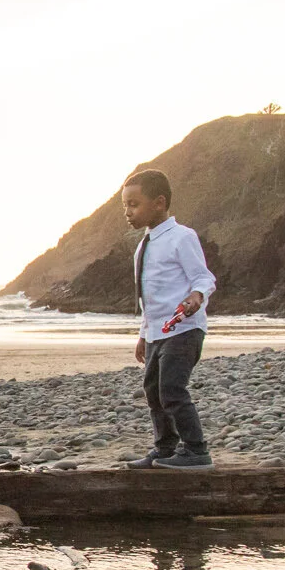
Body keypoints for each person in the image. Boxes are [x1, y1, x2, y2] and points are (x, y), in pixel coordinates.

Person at [120, 168, 216, 469]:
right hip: (156, 333)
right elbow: (148, 297)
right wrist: (143, 332)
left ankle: (197, 450)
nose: (128, 212)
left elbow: (203, 277)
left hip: (184, 328)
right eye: (126, 205)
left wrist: (196, 297)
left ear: (159, 203)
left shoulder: (181, 237)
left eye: (134, 204)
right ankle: (165, 448)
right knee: (153, 392)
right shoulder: (143, 245)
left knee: (172, 389)